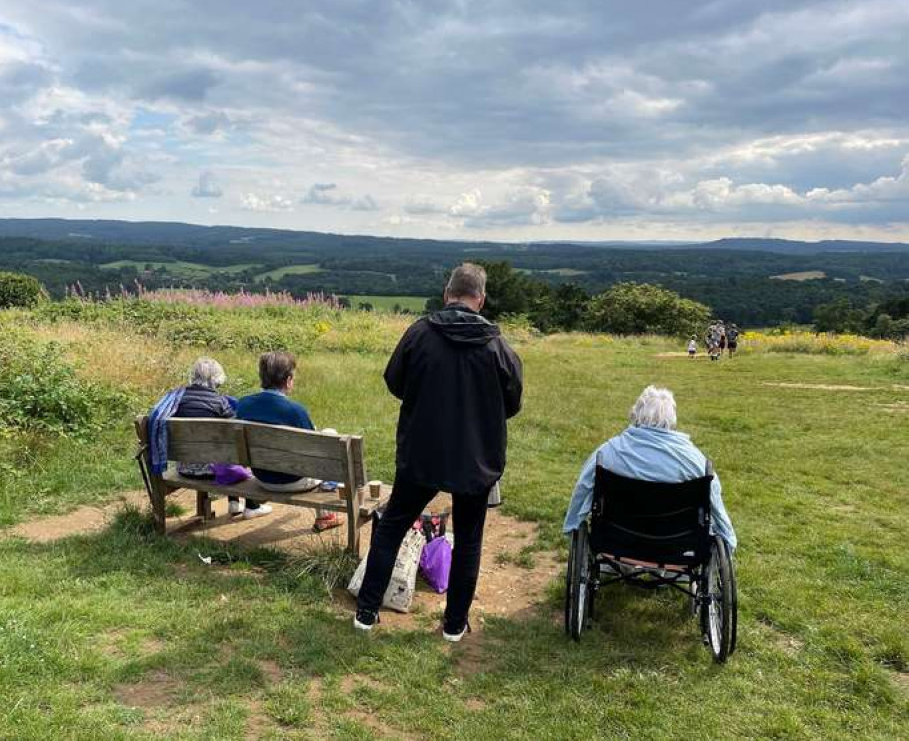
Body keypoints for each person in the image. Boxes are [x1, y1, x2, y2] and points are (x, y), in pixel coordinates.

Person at [354, 263, 524, 641]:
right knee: (468, 539)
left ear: (448, 293)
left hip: (422, 450)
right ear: (479, 299)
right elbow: (512, 403)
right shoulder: (497, 346)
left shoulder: (420, 334)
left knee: (393, 525)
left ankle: (366, 611)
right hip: (476, 457)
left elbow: (394, 380)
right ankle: (453, 624)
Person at [562, 385, 736, 552]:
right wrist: (728, 539)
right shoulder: (696, 461)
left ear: (636, 415)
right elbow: (715, 502)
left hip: (618, 538)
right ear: (672, 420)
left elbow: (583, 487)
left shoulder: (608, 453)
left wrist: (572, 527)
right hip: (677, 542)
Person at [235, 351, 342, 532]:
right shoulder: (296, 411)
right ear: (288, 379)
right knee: (329, 435)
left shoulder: (244, 404)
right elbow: (313, 451)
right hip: (294, 481)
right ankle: (325, 514)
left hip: (262, 478)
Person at [173, 358, 270, 519]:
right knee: (235, 449)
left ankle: (233, 503)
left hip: (183, 468)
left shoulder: (176, 399)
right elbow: (235, 431)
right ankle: (252, 506)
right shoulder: (219, 402)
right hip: (211, 471)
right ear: (216, 379)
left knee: (223, 451)